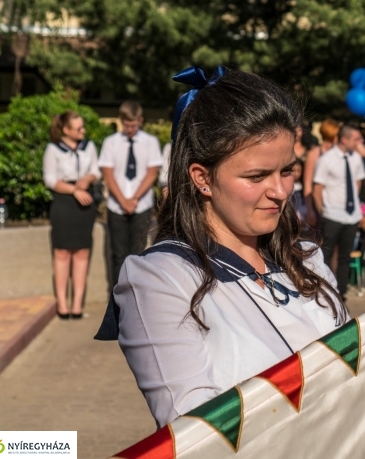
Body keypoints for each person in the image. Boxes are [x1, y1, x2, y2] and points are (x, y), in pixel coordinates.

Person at [100, 67, 347, 429]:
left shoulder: (306, 256)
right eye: (257, 176)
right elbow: (197, 433)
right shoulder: (161, 279)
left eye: (287, 171)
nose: (281, 192)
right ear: (202, 178)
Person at [43, 111, 101, 319]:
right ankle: (62, 304)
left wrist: (88, 179)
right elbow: (50, 179)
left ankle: (77, 305)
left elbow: (96, 170)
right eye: (78, 128)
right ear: (66, 130)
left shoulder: (89, 146)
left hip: (85, 204)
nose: (83, 131)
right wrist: (74, 190)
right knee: (62, 253)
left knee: (82, 253)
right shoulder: (53, 149)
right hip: (64, 203)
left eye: (83, 127)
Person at [98, 101, 162, 289]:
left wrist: (134, 199)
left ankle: (135, 293)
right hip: (116, 206)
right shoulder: (111, 143)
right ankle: (116, 293)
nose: (130, 129)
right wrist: (122, 200)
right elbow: (108, 174)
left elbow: (152, 173)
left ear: (140, 120)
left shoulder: (150, 142)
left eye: (133, 125)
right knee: (118, 254)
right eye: (126, 125)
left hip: (141, 205)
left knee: (138, 253)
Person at [313, 125, 365, 299]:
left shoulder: (356, 158)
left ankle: (341, 292)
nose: (360, 142)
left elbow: (358, 182)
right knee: (326, 256)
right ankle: (325, 291)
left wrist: (354, 205)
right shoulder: (326, 160)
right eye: (356, 139)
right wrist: (323, 212)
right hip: (332, 215)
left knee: (345, 257)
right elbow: (317, 189)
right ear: (344, 139)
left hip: (351, 216)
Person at [302, 119, 339, 227]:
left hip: (336, 203)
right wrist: (310, 210)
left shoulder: (339, 153)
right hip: (319, 204)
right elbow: (308, 184)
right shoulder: (314, 154)